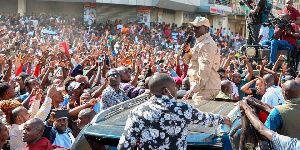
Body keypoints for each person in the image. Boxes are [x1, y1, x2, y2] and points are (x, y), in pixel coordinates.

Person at [118, 73, 232, 149]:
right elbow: (205, 119)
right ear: (165, 91)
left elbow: (125, 145)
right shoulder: (182, 109)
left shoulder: (137, 112)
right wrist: (224, 119)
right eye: (174, 88)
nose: (176, 91)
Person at [182, 17, 221, 101]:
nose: (194, 29)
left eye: (197, 27)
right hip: (202, 87)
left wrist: (194, 88)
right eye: (193, 27)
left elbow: (204, 70)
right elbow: (192, 61)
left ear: (206, 28)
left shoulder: (207, 44)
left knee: (198, 112)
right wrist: (187, 51)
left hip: (205, 87)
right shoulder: (200, 42)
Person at [236, 100, 300, 150]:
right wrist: (258, 104)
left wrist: (246, 109)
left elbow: (263, 131)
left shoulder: (292, 144)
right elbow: (279, 115)